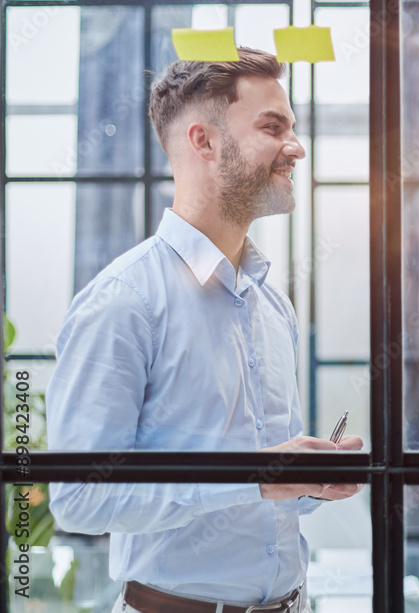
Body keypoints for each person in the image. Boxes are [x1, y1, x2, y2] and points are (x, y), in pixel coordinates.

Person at [47, 48, 362, 613]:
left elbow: (261, 492)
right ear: (204, 142)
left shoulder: (271, 302)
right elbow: (79, 498)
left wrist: (309, 481)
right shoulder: (125, 302)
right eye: (274, 127)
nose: (297, 146)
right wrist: (257, 478)